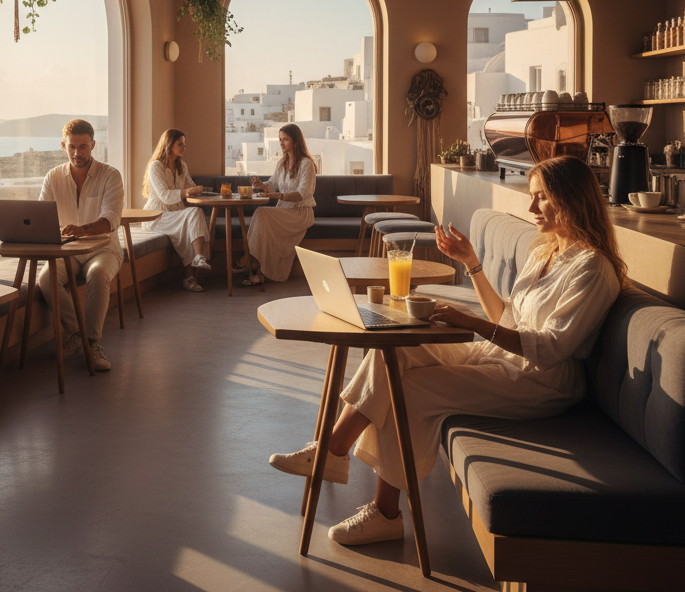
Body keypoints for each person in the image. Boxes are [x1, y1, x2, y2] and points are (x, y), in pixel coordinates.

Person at [268, 155, 626, 547]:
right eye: (532, 196)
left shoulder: (593, 269)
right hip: (500, 356)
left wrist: (470, 322)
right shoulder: (546, 252)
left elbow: (550, 349)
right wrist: (471, 263)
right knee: (395, 351)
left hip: (541, 381)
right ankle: (333, 449)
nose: (531, 207)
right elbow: (505, 316)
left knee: (410, 390)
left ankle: (385, 513)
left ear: (571, 198)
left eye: (541, 197)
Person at [38, 118, 124, 372]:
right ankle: (79, 335)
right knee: (45, 279)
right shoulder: (52, 177)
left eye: (83, 146)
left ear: (93, 145)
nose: (77, 153)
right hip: (69, 251)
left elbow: (111, 219)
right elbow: (42, 217)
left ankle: (92, 343)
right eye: (72, 147)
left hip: (104, 249)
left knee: (98, 274)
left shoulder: (110, 175)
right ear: (63, 146)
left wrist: (82, 230)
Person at [238, 124, 317, 286]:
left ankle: (250, 259)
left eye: (285, 139)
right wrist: (260, 184)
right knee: (262, 218)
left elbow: (303, 194)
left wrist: (279, 196)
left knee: (261, 213)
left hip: (300, 213)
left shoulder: (306, 164)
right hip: (284, 210)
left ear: (296, 141)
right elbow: (272, 185)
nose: (281, 143)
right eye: (280, 139)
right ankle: (257, 270)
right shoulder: (282, 163)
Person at [142, 129, 211, 291]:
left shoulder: (181, 166)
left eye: (184, 145)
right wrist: (187, 192)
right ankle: (192, 270)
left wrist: (200, 190)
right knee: (193, 215)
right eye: (180, 144)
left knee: (194, 216)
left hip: (176, 213)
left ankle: (195, 264)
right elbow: (165, 196)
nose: (183, 148)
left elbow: (191, 186)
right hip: (157, 216)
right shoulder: (156, 166)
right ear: (169, 144)